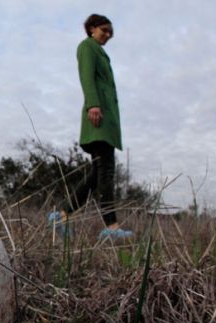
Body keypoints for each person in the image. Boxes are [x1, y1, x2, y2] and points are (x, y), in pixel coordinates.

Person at [48, 14, 133, 240]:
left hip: (106, 121)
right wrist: (93, 104)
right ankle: (111, 228)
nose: (107, 35)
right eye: (104, 30)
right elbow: (87, 77)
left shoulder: (101, 52)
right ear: (92, 28)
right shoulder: (87, 47)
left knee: (97, 174)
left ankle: (62, 215)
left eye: (110, 33)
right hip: (98, 118)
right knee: (105, 171)